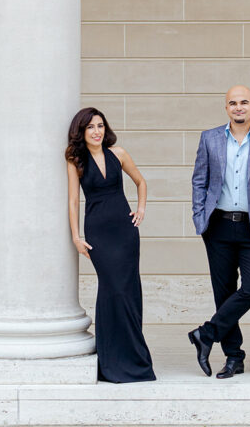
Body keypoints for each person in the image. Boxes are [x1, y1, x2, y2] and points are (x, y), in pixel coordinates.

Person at [189, 85, 250, 379]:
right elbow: (199, 180)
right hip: (218, 225)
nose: (238, 107)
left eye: (244, 102)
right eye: (233, 103)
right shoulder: (209, 138)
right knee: (224, 292)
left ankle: (206, 333)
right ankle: (234, 357)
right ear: (226, 108)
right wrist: (199, 217)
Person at [66, 106, 156, 382]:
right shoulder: (75, 160)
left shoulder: (118, 153)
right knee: (112, 290)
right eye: (90, 127)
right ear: (82, 131)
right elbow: (73, 200)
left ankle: (136, 360)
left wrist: (140, 209)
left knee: (128, 290)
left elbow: (140, 181)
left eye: (100, 126)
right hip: (98, 233)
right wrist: (76, 237)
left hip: (125, 232)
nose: (96, 131)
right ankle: (112, 361)